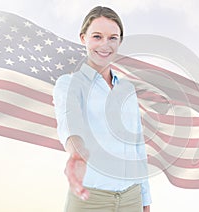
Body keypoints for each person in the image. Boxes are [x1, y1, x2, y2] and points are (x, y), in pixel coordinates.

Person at [53, 6, 151, 212]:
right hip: (90, 199)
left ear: (120, 42)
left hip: (131, 198)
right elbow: (70, 125)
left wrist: (145, 198)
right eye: (97, 36)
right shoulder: (69, 84)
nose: (105, 45)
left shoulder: (127, 89)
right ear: (83, 38)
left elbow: (137, 146)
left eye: (112, 38)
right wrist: (77, 155)